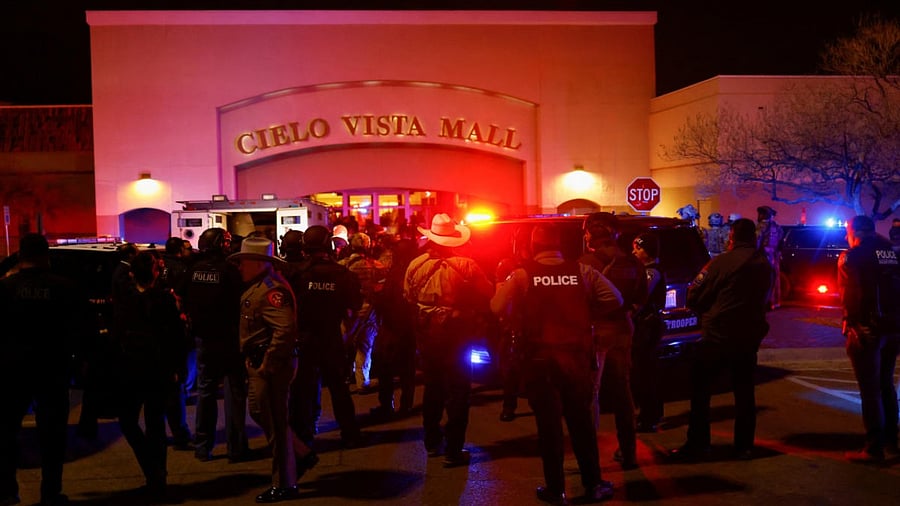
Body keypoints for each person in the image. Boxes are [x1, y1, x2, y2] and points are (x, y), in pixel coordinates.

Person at [491, 223, 623, 505]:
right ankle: (593, 485)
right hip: (575, 360)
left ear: (533, 247)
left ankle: (556, 490)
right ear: (560, 246)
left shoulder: (523, 275)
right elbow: (615, 299)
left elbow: (496, 307)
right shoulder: (583, 272)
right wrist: (586, 311)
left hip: (540, 362)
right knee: (581, 424)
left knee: (548, 428)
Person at [669, 218, 773, 461]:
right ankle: (744, 446)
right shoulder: (764, 264)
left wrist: (705, 310)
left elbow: (695, 294)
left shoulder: (721, 263)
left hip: (717, 335)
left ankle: (698, 443)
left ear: (732, 237)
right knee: (745, 392)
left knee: (701, 390)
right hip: (748, 337)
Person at [0, 233, 88, 506]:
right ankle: (50, 492)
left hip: (11, 370)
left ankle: (6, 490)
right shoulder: (65, 288)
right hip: (53, 369)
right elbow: (82, 332)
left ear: (20, 255)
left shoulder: (5, 289)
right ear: (46, 255)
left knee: (5, 432)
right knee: (53, 435)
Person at [404, 213, 493, 467]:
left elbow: (408, 297)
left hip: (427, 335)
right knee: (459, 390)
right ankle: (454, 449)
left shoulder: (416, 265)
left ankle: (432, 443)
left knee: (432, 388)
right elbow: (488, 293)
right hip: (458, 334)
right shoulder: (467, 265)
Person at [230, 237, 309, 503]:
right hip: (259, 362)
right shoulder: (258, 286)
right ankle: (301, 454)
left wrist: (269, 363)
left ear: (256, 263)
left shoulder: (271, 290)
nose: (239, 267)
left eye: (243, 262)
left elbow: (285, 330)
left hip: (270, 365)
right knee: (262, 414)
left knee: (275, 423)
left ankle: (284, 483)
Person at [112, 251, 188, 501]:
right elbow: (177, 337)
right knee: (155, 425)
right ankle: (157, 475)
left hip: (132, 369)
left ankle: (154, 474)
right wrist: (177, 368)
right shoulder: (164, 300)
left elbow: (117, 334)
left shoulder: (126, 299)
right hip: (157, 370)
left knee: (130, 422)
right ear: (156, 273)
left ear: (132, 273)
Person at [284, 225, 365, 451]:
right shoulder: (343, 274)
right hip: (331, 338)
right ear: (328, 244)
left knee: (303, 391)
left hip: (304, 339)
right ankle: (349, 434)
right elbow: (355, 305)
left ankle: (303, 436)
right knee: (339, 389)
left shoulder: (296, 275)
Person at [579, 212, 647, 470]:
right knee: (623, 392)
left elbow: (580, 300)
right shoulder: (632, 263)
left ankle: (589, 457)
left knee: (590, 393)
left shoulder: (585, 263)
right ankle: (629, 453)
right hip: (623, 331)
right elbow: (640, 299)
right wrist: (627, 314)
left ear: (592, 236)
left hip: (596, 332)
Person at [183, 228, 250, 463]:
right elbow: (240, 304)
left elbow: (187, 301)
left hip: (204, 339)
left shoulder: (192, 270)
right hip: (229, 340)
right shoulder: (230, 271)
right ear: (222, 245)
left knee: (206, 392)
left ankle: (203, 446)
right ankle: (236, 448)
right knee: (234, 393)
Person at [838, 215, 900, 463]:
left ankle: (873, 447)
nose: (845, 237)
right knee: (886, 384)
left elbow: (850, 294)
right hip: (893, 328)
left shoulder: (852, 256)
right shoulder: (892, 251)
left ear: (855, 232)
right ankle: (891, 444)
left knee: (870, 389)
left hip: (866, 329)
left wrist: (851, 324)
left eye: (847, 232)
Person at [371, 236, 419, 419]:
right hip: (410, 327)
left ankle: (386, 404)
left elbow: (387, 300)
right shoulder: (416, 269)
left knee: (386, 368)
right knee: (408, 369)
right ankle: (406, 404)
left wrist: (377, 297)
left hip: (393, 327)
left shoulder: (397, 272)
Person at [339, 233, 387, 394]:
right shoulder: (375, 265)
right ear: (368, 246)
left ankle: (339, 380)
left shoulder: (342, 265)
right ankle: (362, 381)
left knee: (342, 345)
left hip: (348, 312)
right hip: (368, 311)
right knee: (365, 346)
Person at [158, 236, 193, 451]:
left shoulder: (161, 268)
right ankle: (180, 434)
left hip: (154, 353)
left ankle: (158, 435)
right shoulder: (182, 269)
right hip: (172, 341)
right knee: (175, 390)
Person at [631, 232, 667, 433]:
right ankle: (650, 413)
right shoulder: (645, 270)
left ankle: (649, 416)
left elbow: (640, 298)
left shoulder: (651, 272)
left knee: (646, 372)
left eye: (638, 248)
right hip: (646, 326)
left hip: (648, 327)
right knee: (644, 371)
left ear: (648, 251)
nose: (634, 252)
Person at [756, 205, 783, 309]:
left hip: (763, 255)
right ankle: (775, 302)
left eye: (761, 213)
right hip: (774, 256)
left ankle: (765, 302)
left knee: (763, 279)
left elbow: (757, 241)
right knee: (774, 278)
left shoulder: (760, 226)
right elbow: (781, 243)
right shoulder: (777, 227)